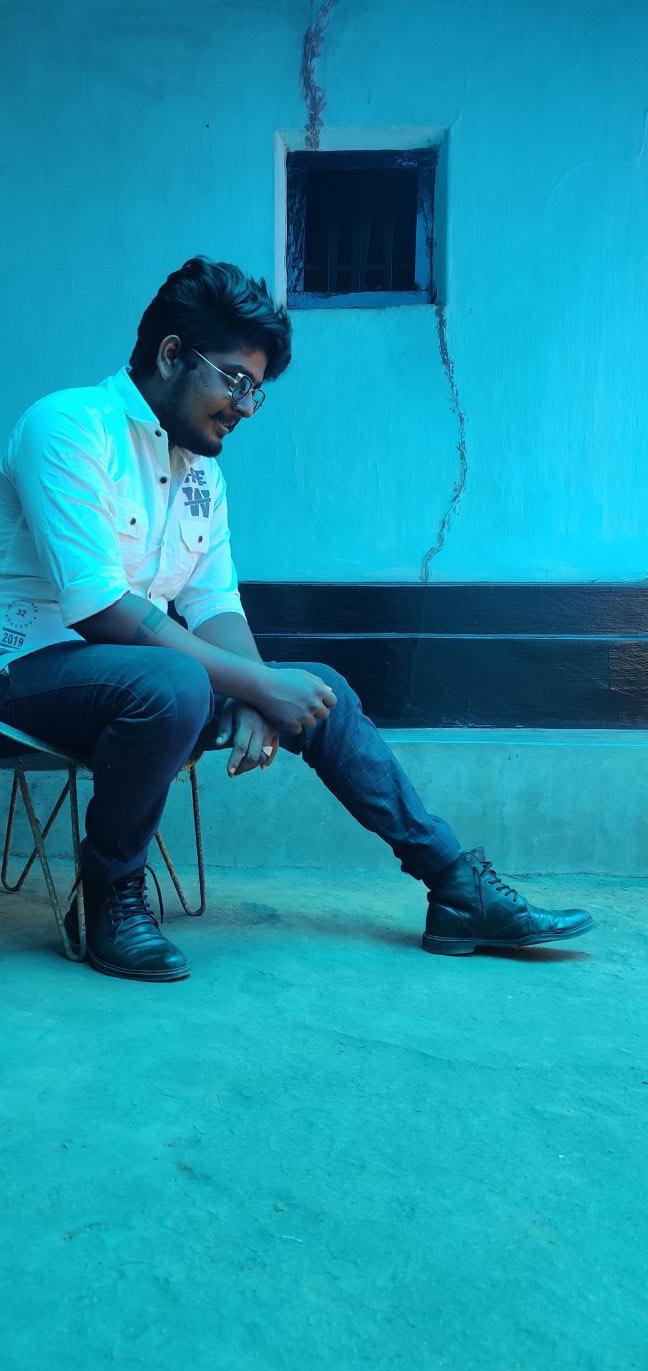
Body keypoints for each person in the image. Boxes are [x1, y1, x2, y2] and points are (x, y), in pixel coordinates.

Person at [0, 257, 594, 981]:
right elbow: (99, 609)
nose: (246, 407)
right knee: (175, 683)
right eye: (235, 380)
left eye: (256, 390)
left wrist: (262, 693)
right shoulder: (68, 427)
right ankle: (109, 900)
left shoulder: (202, 474)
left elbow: (214, 604)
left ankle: (456, 888)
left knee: (319, 689)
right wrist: (254, 684)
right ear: (171, 355)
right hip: (30, 673)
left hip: (146, 682)